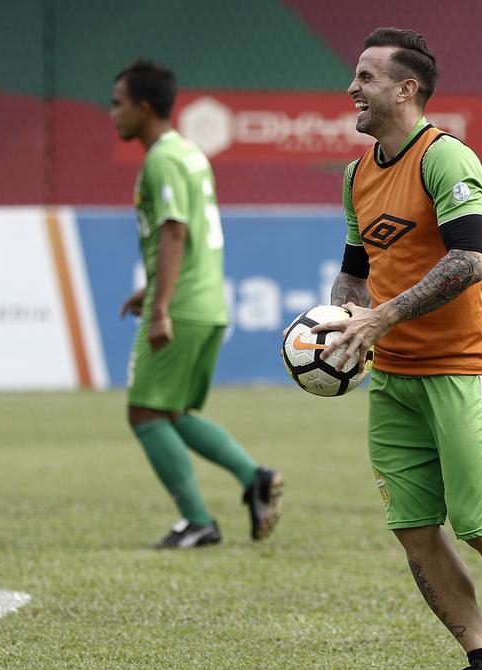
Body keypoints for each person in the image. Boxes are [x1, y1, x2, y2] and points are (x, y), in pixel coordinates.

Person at [314, 28, 482, 670]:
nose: (352, 89)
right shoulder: (356, 174)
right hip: (393, 379)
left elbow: (468, 262)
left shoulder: (446, 158)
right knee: (413, 529)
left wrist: (380, 316)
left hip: (463, 368)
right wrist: (340, 324)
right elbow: (353, 273)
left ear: (407, 89)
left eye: (366, 77)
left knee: (479, 521)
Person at [109, 59, 282, 549]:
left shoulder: (161, 160)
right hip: (207, 301)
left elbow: (176, 230)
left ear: (144, 107)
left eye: (118, 103)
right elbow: (192, 233)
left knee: (144, 413)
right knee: (174, 412)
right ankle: (255, 477)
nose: (112, 113)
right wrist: (153, 290)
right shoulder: (190, 153)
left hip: (181, 306)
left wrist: (160, 306)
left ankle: (197, 521)